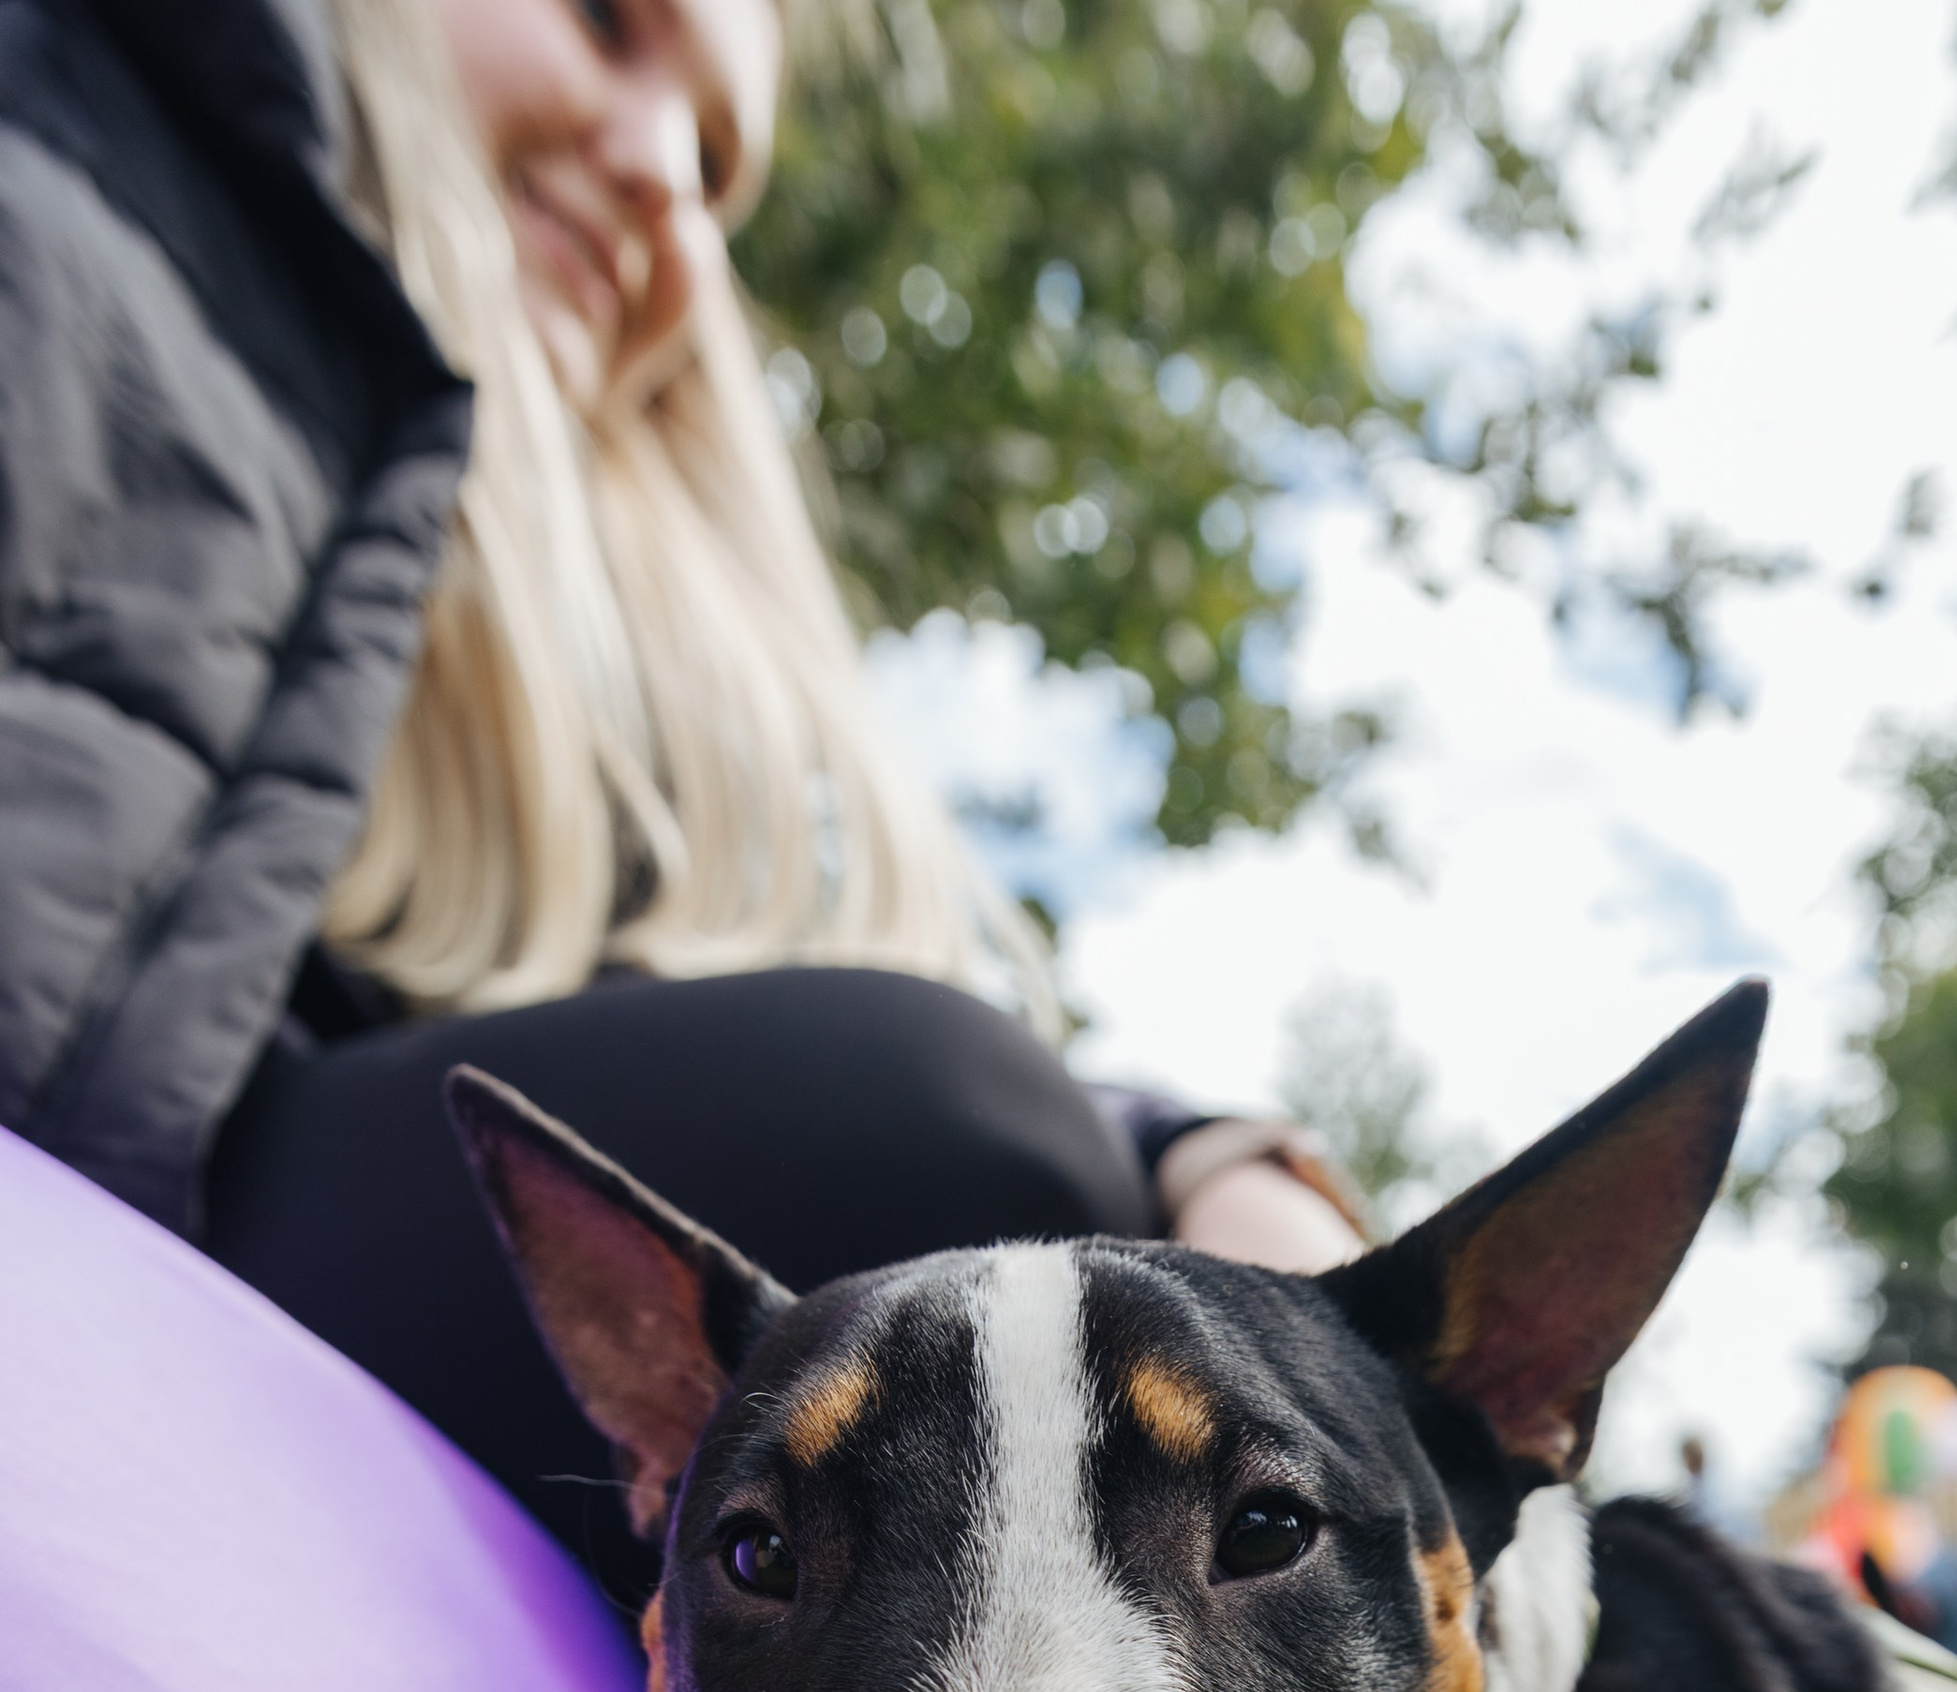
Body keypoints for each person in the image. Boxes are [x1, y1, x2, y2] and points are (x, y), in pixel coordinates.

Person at [0, 0, 1361, 1600]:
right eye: (602, 21)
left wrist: (1203, 1158)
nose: (659, 173)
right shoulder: (64, 161)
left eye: (718, 165)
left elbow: (712, 1030)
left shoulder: (571, 637)